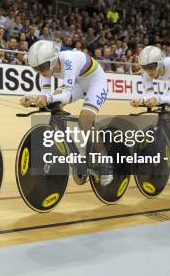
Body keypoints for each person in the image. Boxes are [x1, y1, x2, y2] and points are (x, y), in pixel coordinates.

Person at [19, 40, 113, 186]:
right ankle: (69, 145)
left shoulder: (69, 60)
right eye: (37, 69)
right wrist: (33, 99)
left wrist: (45, 98)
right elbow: (46, 95)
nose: (41, 72)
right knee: (54, 104)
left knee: (85, 122)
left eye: (43, 67)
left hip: (96, 83)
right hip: (78, 82)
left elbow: (65, 95)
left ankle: (106, 163)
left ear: (53, 60)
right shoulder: (45, 66)